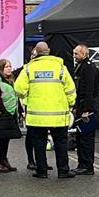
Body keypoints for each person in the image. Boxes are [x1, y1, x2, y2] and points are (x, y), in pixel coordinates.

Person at [14, 42, 77, 179]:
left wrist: (26, 98)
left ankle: (42, 171)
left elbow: (19, 89)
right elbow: (71, 90)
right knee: (60, 143)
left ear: (36, 52)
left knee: (39, 143)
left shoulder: (29, 69)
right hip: (58, 115)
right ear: (48, 51)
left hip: (37, 116)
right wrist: (71, 104)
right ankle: (63, 170)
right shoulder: (61, 68)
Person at [71, 43, 99, 175]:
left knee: (86, 138)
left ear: (84, 54)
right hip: (81, 105)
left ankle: (87, 166)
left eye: (76, 53)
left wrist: (86, 110)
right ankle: (82, 164)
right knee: (80, 137)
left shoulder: (88, 68)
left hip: (86, 106)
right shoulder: (81, 66)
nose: (74, 56)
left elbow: (89, 91)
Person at [0, 59, 20, 173]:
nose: (9, 68)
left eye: (10, 66)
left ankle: (4, 160)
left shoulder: (9, 80)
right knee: (0, 139)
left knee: (6, 139)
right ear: (1, 67)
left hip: (9, 113)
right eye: (7, 66)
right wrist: (3, 111)